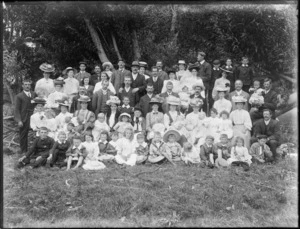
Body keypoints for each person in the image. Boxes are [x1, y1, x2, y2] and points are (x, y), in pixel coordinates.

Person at [14, 79, 37, 154]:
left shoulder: (34, 94)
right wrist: (19, 120)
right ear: (22, 86)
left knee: (37, 132)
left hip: (34, 116)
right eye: (26, 84)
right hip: (24, 117)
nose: (27, 86)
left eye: (29, 84)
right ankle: (24, 151)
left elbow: (37, 104)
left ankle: (36, 150)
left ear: (30, 86)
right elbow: (17, 109)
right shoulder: (19, 96)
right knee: (23, 134)